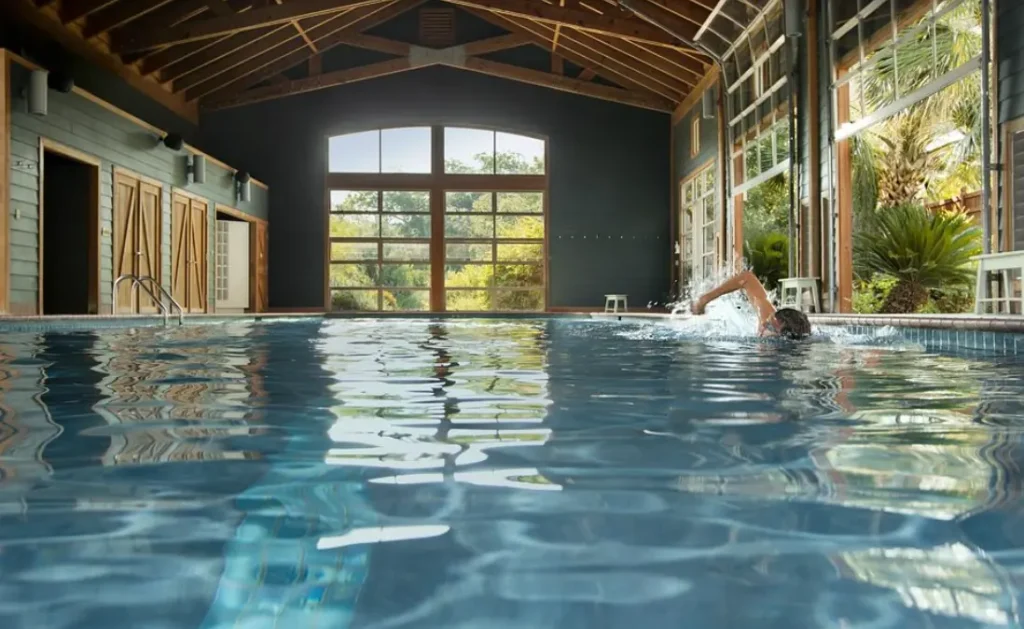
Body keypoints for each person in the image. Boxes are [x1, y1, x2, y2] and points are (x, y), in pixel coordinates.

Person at [690, 270, 812, 339]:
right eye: (768, 321)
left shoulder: (771, 353)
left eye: (770, 327)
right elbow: (747, 278)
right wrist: (704, 300)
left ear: (781, 337)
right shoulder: (767, 319)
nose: (763, 324)